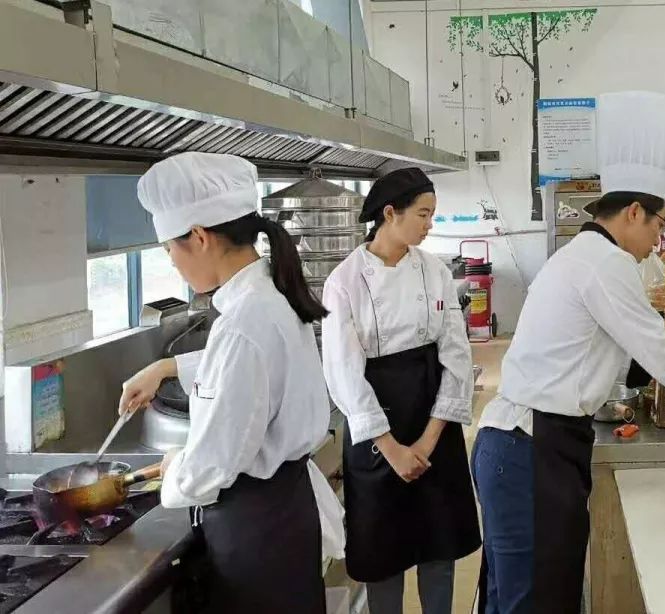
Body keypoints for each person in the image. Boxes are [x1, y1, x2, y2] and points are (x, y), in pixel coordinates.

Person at [471, 91, 665, 614]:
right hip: (528, 449)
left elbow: (625, 352)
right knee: (534, 601)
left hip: (529, 445)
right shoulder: (607, 263)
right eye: (659, 225)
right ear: (634, 212)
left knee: (524, 596)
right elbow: (662, 359)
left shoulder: (588, 254)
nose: (659, 240)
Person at [118, 152, 341, 614]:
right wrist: (166, 368)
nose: (173, 264)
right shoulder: (267, 297)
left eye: (170, 250)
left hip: (258, 535)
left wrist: (176, 471)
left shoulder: (244, 322)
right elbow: (250, 370)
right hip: (283, 517)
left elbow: (213, 465)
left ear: (199, 237)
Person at [320, 167, 481, 614]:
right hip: (376, 431)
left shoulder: (434, 270)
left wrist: (428, 441)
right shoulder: (344, 282)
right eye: (424, 214)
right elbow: (344, 373)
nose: (430, 224)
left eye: (432, 215)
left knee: (439, 547)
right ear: (390, 214)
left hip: (433, 419)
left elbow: (456, 354)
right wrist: (391, 449)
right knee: (383, 554)